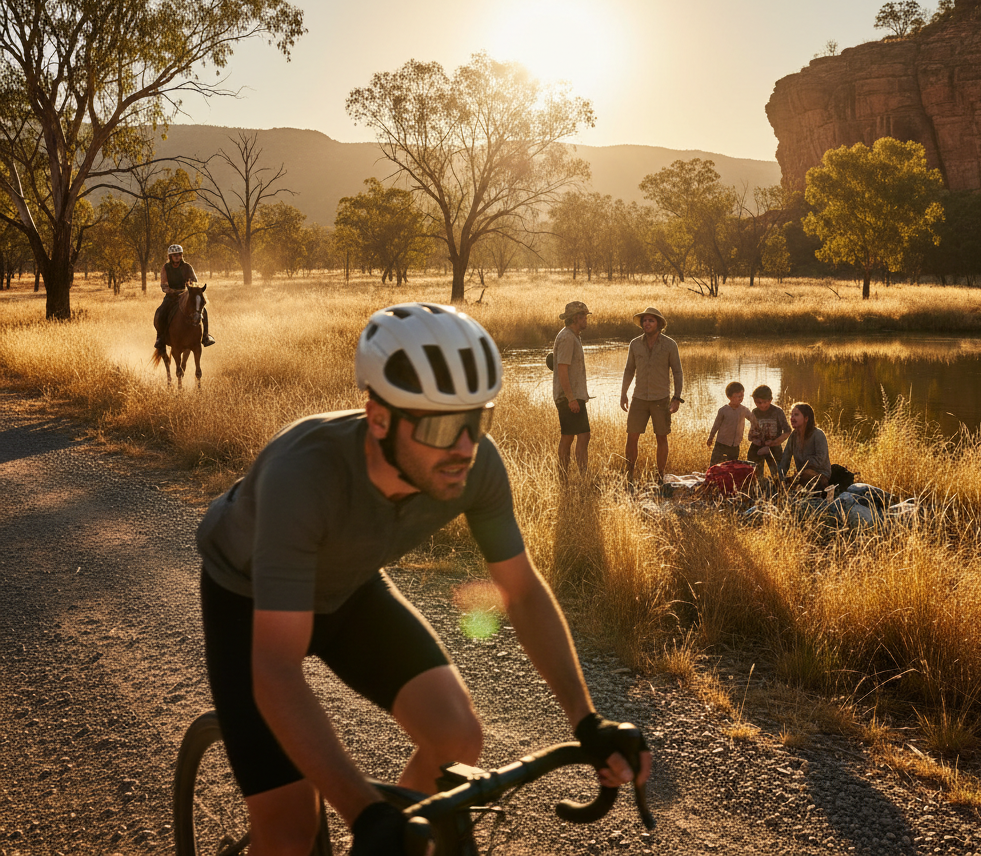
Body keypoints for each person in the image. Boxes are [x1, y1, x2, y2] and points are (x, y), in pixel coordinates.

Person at [195, 303, 649, 856]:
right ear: (379, 419)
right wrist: (365, 813)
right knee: (290, 832)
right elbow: (275, 668)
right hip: (246, 598)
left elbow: (523, 591)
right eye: (440, 426)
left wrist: (587, 721)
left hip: (350, 587)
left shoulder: (476, 465)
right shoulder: (304, 474)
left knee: (456, 737)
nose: (464, 447)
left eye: (477, 420)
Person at [619, 306, 683, 485]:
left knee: (661, 437)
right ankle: (629, 476)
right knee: (632, 436)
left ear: (659, 324)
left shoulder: (670, 345)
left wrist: (676, 398)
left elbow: (677, 372)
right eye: (644, 320)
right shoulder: (634, 344)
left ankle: (660, 477)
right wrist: (623, 393)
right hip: (639, 398)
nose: (647, 323)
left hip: (661, 399)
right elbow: (629, 370)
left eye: (651, 320)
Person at [553, 300, 592, 480]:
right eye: (583, 316)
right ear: (576, 318)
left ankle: (572, 476)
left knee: (578, 435)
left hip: (574, 396)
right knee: (573, 437)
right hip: (569, 397)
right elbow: (562, 369)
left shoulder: (573, 336)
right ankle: (571, 477)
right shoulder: (567, 337)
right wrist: (570, 398)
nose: (586, 319)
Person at [154, 244, 215, 349]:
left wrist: (189, 288)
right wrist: (172, 291)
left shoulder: (187, 267)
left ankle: (205, 336)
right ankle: (160, 338)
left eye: (178, 254)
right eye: (174, 255)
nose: (177, 257)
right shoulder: (166, 268)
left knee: (203, 310)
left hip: (186, 294)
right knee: (161, 312)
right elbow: (164, 284)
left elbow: (194, 281)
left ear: (181, 255)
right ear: (170, 256)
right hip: (171, 296)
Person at [780, 401, 831, 490]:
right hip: (801, 476)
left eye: (796, 415)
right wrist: (780, 477)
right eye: (791, 415)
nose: (792, 418)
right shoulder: (793, 436)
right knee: (784, 483)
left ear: (806, 418)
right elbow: (785, 459)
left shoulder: (818, 434)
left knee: (806, 475)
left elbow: (820, 459)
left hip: (820, 475)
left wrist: (803, 470)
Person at [705, 381, 756, 467]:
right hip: (721, 443)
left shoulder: (744, 410)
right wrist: (711, 437)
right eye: (738, 396)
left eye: (742, 396)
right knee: (715, 464)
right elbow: (716, 425)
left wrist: (754, 429)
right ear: (729, 397)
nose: (741, 398)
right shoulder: (723, 410)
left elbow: (753, 419)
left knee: (732, 466)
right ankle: (712, 475)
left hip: (735, 445)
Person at [746, 384, 791, 480]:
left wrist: (774, 442)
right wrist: (755, 440)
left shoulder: (778, 411)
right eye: (758, 402)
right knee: (753, 469)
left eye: (765, 402)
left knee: (778, 471)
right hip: (758, 444)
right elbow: (753, 431)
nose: (762, 405)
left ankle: (778, 484)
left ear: (770, 400)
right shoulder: (755, 412)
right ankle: (758, 483)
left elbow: (787, 431)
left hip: (774, 445)